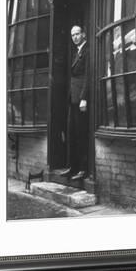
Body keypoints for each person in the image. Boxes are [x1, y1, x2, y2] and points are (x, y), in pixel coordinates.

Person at [61, 25, 89, 181]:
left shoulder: (87, 51)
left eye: (77, 34)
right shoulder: (76, 52)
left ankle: (83, 169)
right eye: (73, 35)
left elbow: (87, 76)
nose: (75, 37)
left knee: (81, 134)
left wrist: (84, 97)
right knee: (71, 132)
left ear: (83, 34)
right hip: (73, 98)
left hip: (81, 100)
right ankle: (73, 167)